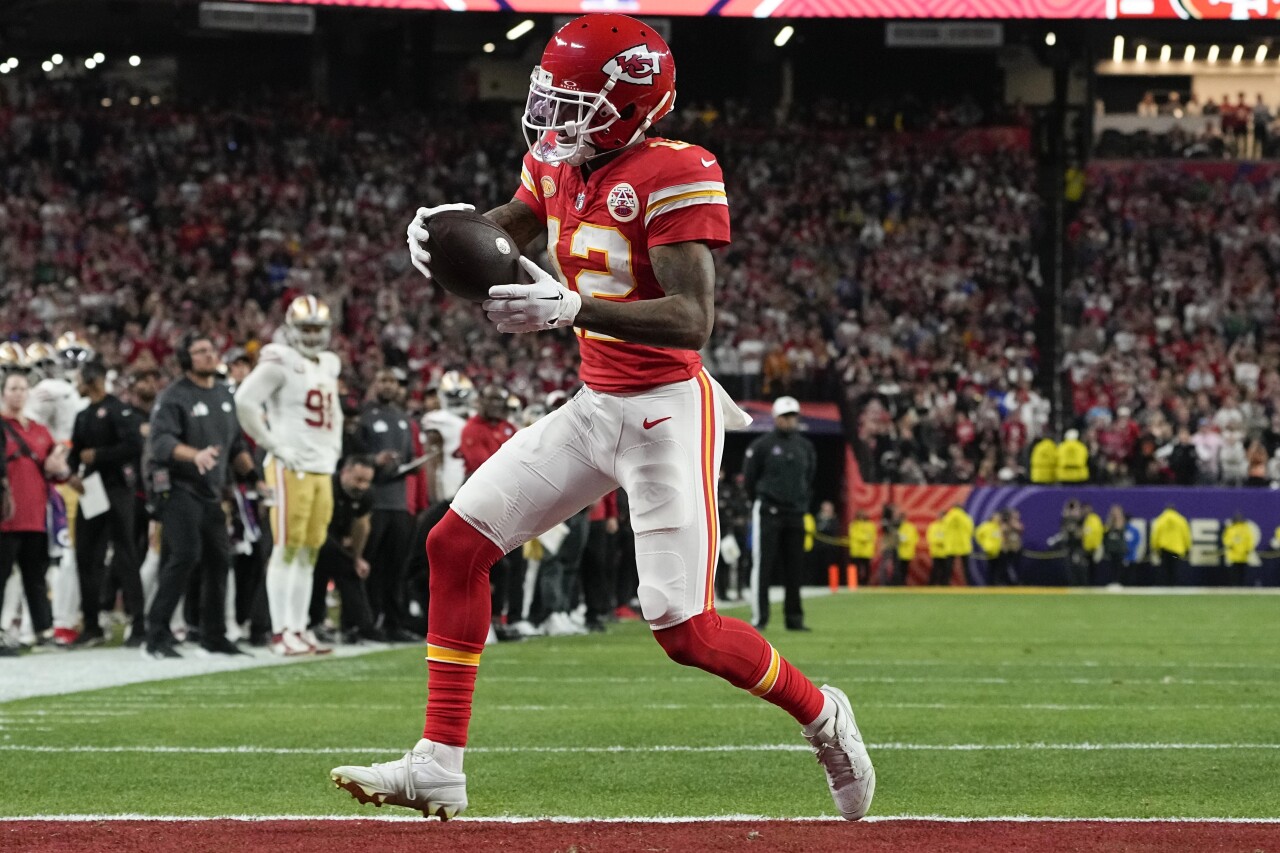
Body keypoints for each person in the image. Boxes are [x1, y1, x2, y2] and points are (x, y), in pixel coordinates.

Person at [331, 14, 873, 823]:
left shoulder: (678, 168)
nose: (553, 121)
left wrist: (574, 304)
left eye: (573, 102)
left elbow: (693, 319)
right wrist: (450, 235)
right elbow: (511, 225)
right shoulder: (560, 161)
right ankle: (438, 762)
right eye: (549, 99)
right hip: (595, 404)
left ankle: (822, 712)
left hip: (664, 410)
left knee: (683, 628)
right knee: (454, 544)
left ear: (631, 102)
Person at [234, 295, 344, 656]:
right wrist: (274, 445)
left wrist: (335, 447)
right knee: (287, 547)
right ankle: (282, 631)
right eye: (306, 329)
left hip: (320, 466)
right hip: (291, 465)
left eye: (317, 329)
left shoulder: (329, 363)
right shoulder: (279, 359)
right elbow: (245, 401)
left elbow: (336, 411)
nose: (312, 336)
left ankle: (299, 628)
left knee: (310, 551)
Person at [144, 332, 257, 659]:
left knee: (220, 561)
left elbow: (235, 444)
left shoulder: (224, 394)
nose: (209, 355)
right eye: (200, 351)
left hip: (211, 493)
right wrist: (194, 455)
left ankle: (214, 635)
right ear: (186, 359)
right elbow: (160, 443)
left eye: (211, 349)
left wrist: (254, 477)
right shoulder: (173, 396)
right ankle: (156, 635)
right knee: (184, 557)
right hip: (179, 488)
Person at [68, 359, 145, 647]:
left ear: (94, 381)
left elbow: (132, 447)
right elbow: (76, 451)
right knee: (86, 556)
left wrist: (98, 456)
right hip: (91, 491)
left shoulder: (118, 410)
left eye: (80, 380)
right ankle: (91, 625)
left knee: (125, 554)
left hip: (116, 489)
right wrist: (72, 472)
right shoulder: (83, 415)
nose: (77, 385)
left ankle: (139, 624)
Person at [1, 370, 71, 648]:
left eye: (22, 388)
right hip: (6, 517)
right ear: (4, 393)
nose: (18, 393)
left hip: (36, 517)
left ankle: (44, 630)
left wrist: (61, 467)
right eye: (13, 388)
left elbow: (59, 473)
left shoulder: (41, 431)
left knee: (36, 577)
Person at [355, 368, 420, 643]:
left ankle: (395, 623)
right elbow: (352, 457)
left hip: (399, 504)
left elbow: (409, 457)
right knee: (370, 565)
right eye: (383, 380)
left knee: (397, 568)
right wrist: (374, 460)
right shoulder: (364, 419)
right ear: (374, 383)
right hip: (374, 502)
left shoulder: (404, 420)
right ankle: (368, 622)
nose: (389, 385)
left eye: (393, 381)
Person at [744, 396, 817, 631]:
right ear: (775, 418)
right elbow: (749, 479)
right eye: (785, 416)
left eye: (793, 415)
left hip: (795, 513)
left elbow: (809, 477)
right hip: (769, 512)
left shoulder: (805, 446)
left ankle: (794, 619)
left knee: (795, 568)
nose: (790, 420)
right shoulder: (761, 445)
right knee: (763, 567)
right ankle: (760, 618)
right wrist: (762, 500)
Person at [309, 455, 381, 643]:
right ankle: (317, 623)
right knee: (325, 570)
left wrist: (357, 557)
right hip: (315, 533)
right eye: (358, 479)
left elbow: (362, 526)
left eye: (366, 481)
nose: (362, 486)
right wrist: (350, 557)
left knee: (352, 568)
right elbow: (318, 524)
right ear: (344, 472)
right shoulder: (326, 487)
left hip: (339, 539)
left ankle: (355, 625)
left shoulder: (367, 495)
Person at [1149, 503, 1191, 587]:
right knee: (1175, 568)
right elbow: (1186, 535)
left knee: (1165, 568)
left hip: (1164, 550)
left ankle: (1165, 585)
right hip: (1176, 550)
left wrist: (1154, 547)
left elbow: (1155, 534)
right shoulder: (1181, 519)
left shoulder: (1161, 519)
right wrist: (1188, 548)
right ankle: (1174, 585)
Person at [1220, 511, 1255, 588]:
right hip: (1236, 556)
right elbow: (1226, 539)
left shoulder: (1243, 529)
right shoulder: (1234, 529)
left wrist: (1248, 549)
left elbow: (1249, 540)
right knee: (1235, 574)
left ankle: (1239, 587)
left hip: (1240, 556)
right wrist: (1230, 545)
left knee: (1240, 574)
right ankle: (1236, 587)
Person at [846, 509, 876, 587]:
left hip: (866, 550)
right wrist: (864, 537)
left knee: (867, 568)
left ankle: (866, 583)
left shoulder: (870, 525)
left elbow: (871, 535)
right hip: (856, 550)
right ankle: (855, 582)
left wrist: (861, 537)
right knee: (855, 568)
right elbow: (853, 535)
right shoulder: (854, 524)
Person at [927, 511, 951, 585]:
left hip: (946, 552)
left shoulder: (948, 526)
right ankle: (932, 584)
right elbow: (930, 537)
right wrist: (939, 542)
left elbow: (951, 537)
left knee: (946, 570)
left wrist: (942, 542)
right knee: (935, 569)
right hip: (936, 551)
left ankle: (944, 585)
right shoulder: (933, 526)